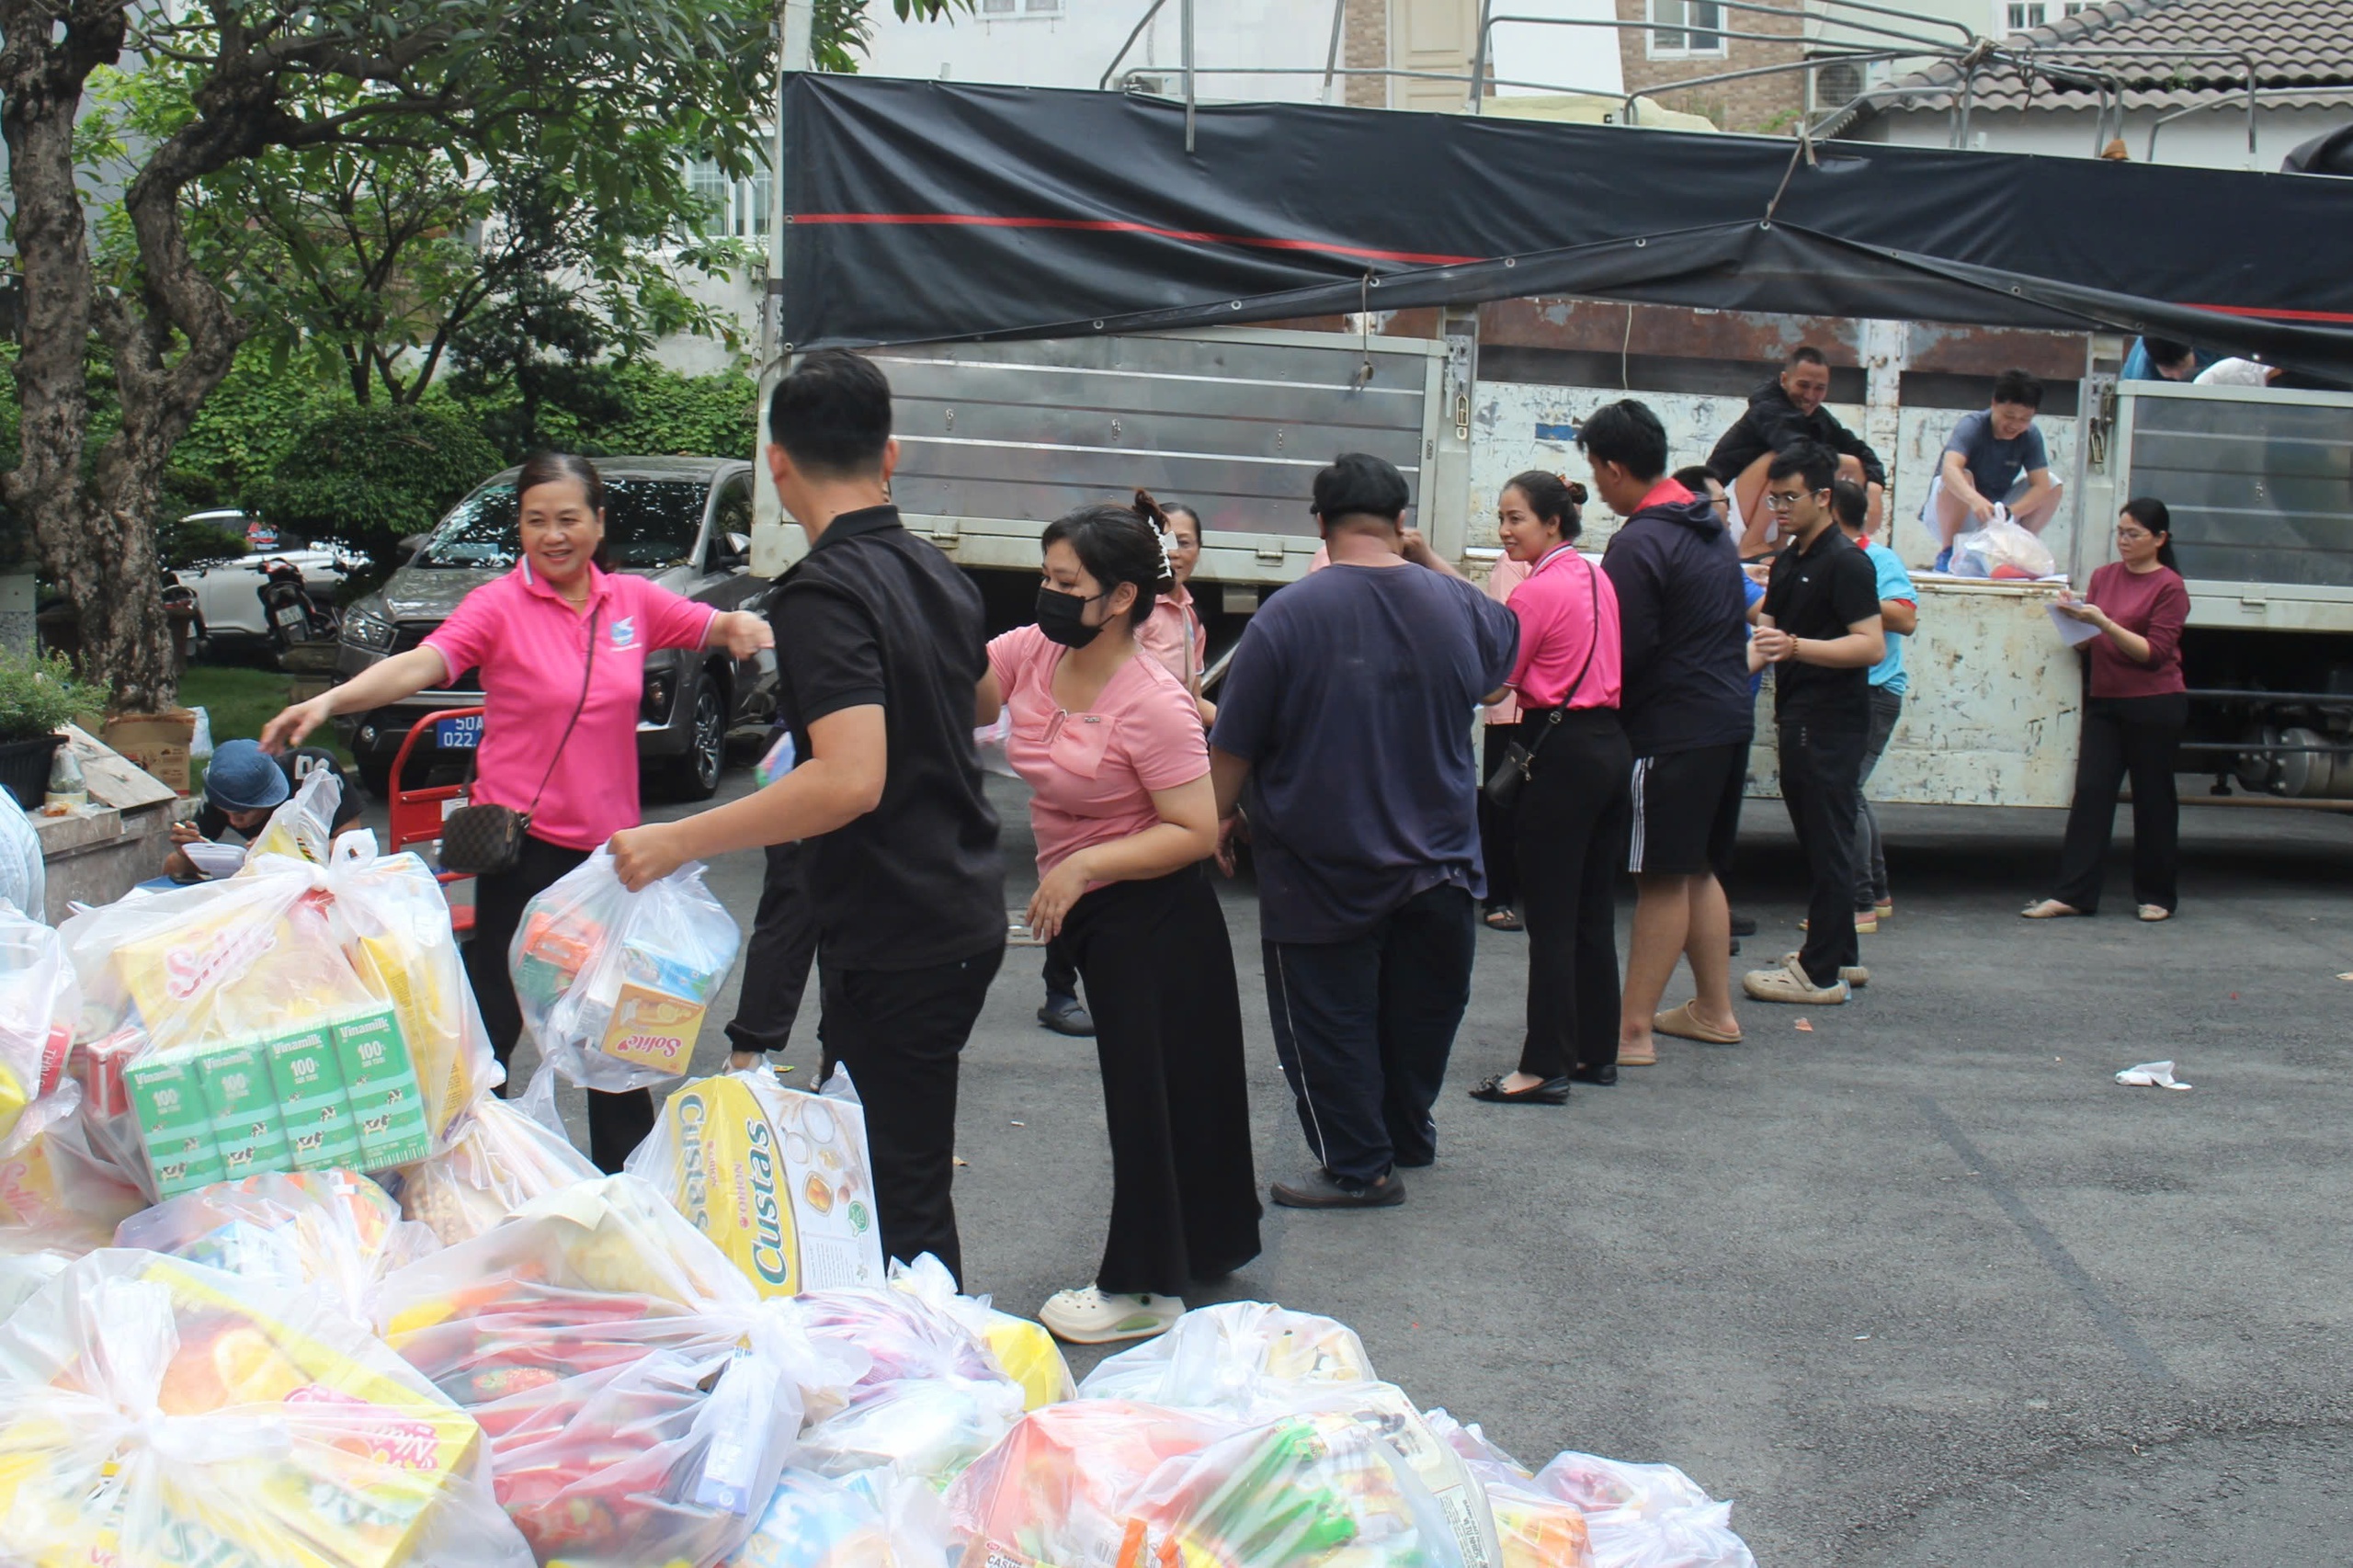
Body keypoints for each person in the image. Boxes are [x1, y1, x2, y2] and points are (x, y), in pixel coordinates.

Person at [608, 349, 1006, 1282]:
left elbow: (847, 780)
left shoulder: (823, 592)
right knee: (884, 1162)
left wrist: (674, 837)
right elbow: (983, 700)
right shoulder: (933, 570)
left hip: (899, 920)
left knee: (897, 1188)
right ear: (892, 455)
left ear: (777, 463)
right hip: (954, 904)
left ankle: (936, 1378)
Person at [261, 452, 775, 1172]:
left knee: (611, 1034)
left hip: (613, 865)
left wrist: (748, 630)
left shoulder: (631, 602)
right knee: (495, 1021)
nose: (553, 535)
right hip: (523, 853)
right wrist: (330, 700)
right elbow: (425, 663)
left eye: (569, 519)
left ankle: (622, 1196)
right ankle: (460, 1175)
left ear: (598, 524)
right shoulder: (498, 606)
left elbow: (710, 623)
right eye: (536, 521)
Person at [978, 495, 1259, 1344]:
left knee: (1148, 1099)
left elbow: (1196, 830)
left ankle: (1144, 1289)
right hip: (1100, 910)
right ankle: (1203, 1245)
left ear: (1123, 597)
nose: (1048, 592)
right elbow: (966, 693)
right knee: (1172, 1092)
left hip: (1153, 914)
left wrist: (1085, 866)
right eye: (1046, 575)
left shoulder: (1154, 702)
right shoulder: (1034, 651)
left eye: (1068, 581)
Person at [1210, 451, 1518, 1209]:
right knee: (1421, 1014)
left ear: (1319, 522)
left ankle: (1360, 1167)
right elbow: (1502, 665)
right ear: (1402, 522)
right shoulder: (1460, 607)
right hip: (1441, 861)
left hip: (1321, 869)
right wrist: (1429, 561)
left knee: (1329, 1024)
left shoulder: (1289, 614)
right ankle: (1405, 1136)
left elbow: (1234, 747)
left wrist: (1215, 817)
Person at [1583, 402, 1752, 1065]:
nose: (1595, 483)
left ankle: (1632, 1030)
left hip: (1672, 728)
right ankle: (1714, 1009)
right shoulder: (1706, 524)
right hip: (1726, 717)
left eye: (1596, 470)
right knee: (1695, 868)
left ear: (1617, 468)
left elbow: (1621, 646)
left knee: (1659, 876)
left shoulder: (1641, 540)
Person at [1464, 472, 1629, 1107]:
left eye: (1516, 519)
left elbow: (1493, 685)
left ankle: (1541, 1066)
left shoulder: (1533, 594)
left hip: (1555, 752)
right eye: (1502, 519)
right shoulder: (1597, 577)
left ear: (1552, 523)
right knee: (1592, 912)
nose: (1505, 531)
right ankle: (1596, 1052)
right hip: (1609, 745)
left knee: (1551, 920)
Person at [1742, 443, 1885, 1006]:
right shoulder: (1793, 558)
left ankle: (1820, 972)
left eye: (1789, 498)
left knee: (1828, 841)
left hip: (1832, 720)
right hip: (1796, 712)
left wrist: (1799, 647)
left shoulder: (1847, 562)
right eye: (1772, 498)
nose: (1778, 508)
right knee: (1819, 836)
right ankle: (1840, 953)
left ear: (1824, 497)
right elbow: (1766, 636)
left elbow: (1871, 645)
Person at [2026, 499, 2189, 924]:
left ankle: (2157, 895)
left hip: (2154, 703)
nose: (2124, 541)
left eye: (2133, 534)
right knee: (2092, 794)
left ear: (2159, 539)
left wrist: (2104, 623)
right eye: (2120, 531)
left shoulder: (2169, 586)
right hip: (2106, 700)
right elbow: (2090, 644)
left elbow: (2154, 654)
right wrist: (2074, 619)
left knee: (2153, 798)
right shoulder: (2103, 577)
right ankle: (2073, 893)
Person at [1677, 462, 1762, 943]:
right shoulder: (1699, 558)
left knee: (1718, 831)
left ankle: (1713, 915)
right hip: (1702, 715)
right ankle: (1705, 926)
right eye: (1722, 503)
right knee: (1697, 838)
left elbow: (1763, 611)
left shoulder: (1723, 557)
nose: (1730, 514)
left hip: (1730, 712)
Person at [1832, 478, 1916, 928]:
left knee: (1844, 791)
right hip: (1847, 690)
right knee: (1852, 791)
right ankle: (1877, 893)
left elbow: (1905, 618)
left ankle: (1858, 903)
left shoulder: (1877, 558)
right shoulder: (1824, 556)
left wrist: (1848, 589)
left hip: (1875, 692)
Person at [1707, 347, 1886, 555]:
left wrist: (1874, 488)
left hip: (1767, 510)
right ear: (1784, 380)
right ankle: (1752, 543)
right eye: (1803, 385)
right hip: (1726, 508)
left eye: (1819, 388)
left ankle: (1781, 545)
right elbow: (1796, 451)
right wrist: (1851, 465)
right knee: (1786, 461)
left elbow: (1860, 450)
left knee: (1820, 471)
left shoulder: (1818, 418)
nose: (1810, 396)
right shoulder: (1767, 409)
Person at [164, 739, 358, 880]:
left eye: (242, 813)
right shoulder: (221, 788)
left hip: (325, 877)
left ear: (268, 799)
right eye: (225, 811)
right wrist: (188, 851)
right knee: (172, 864)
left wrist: (281, 847)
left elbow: (353, 846)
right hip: (269, 885)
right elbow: (176, 866)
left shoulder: (313, 767)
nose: (233, 821)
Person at [1928, 369, 2062, 566]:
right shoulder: (1972, 425)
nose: (2015, 425)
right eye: (2009, 416)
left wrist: (2010, 512)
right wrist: (1975, 501)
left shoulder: (2031, 435)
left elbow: (2041, 486)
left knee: (2052, 483)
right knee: (1959, 476)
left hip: (1996, 513)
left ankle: (2018, 549)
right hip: (1959, 511)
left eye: (2024, 419)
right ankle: (1948, 551)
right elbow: (1949, 469)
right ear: (1994, 404)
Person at [1478, 548, 1530, 931]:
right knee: (1501, 804)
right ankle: (1496, 897)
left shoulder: (1566, 568)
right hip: (1511, 703)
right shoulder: (1510, 565)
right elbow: (1511, 628)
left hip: (1545, 707)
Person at [2120, 336, 2201, 383]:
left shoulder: (2208, 342)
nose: (2178, 376)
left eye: (2183, 365)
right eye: (2167, 369)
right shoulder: (2144, 375)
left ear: (2192, 347)